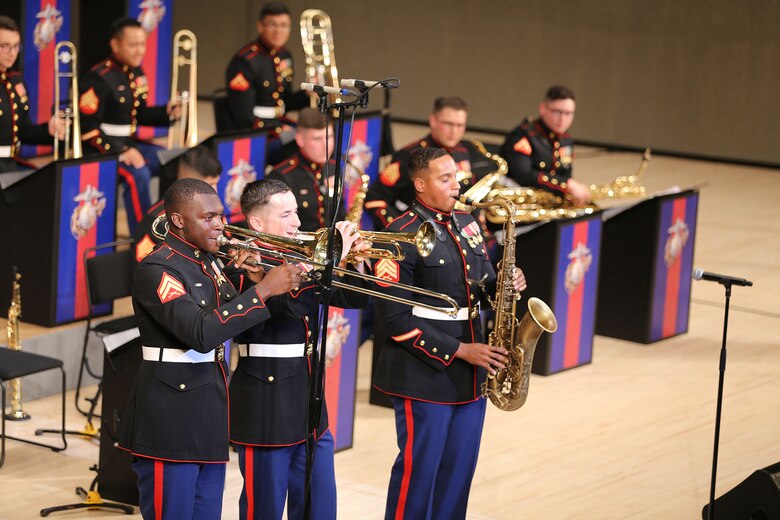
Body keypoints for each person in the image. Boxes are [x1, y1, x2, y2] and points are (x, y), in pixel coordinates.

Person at [119, 178, 302, 520]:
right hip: (169, 415)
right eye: (208, 217)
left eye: (220, 215)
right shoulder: (158, 268)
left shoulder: (209, 262)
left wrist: (249, 277)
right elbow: (201, 332)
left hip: (209, 409)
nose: (219, 224)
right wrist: (263, 290)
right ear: (178, 220)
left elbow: (234, 319)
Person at [372, 147, 527, 520]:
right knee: (419, 474)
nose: (456, 185)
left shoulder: (468, 222)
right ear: (421, 184)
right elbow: (394, 319)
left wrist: (506, 285)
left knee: (458, 475)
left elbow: (483, 282)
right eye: (445, 179)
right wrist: (459, 351)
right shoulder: (399, 235)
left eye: (455, 176)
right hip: (424, 373)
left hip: (472, 373)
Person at [228, 178, 369, 520]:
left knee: (319, 505)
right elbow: (284, 308)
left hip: (309, 398)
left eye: (296, 213)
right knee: (265, 508)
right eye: (287, 213)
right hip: (266, 401)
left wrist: (356, 260)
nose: (297, 222)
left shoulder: (302, 255)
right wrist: (327, 260)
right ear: (258, 222)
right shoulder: (241, 260)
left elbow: (354, 298)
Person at [79, 17, 180, 234]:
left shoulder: (137, 74)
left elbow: (139, 114)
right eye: (133, 45)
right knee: (139, 173)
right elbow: (87, 129)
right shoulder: (98, 78)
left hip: (130, 145)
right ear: (115, 45)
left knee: (173, 160)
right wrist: (120, 151)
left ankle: (169, 226)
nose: (140, 51)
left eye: (142, 44)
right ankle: (145, 236)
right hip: (101, 150)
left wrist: (167, 112)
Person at [364, 96, 500, 229]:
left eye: (460, 125)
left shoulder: (467, 150)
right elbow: (375, 198)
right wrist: (400, 229)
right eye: (449, 124)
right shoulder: (411, 155)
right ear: (433, 121)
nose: (454, 131)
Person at [225, 2, 307, 137]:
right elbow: (243, 118)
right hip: (256, 131)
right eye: (272, 25)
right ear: (260, 26)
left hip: (278, 122)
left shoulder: (284, 55)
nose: (278, 31)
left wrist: (308, 94)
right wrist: (278, 128)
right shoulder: (245, 61)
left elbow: (285, 101)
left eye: (284, 25)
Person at [500, 85, 591, 205]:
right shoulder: (523, 135)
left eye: (569, 113)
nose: (563, 119)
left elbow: (565, 174)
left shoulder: (566, 139)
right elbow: (523, 175)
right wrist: (566, 185)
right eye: (557, 112)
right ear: (542, 109)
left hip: (550, 200)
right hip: (518, 203)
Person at [133, 145, 223, 262]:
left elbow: (225, 249)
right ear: (189, 182)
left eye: (216, 183)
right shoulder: (154, 221)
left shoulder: (213, 209)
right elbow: (150, 268)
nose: (215, 191)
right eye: (210, 185)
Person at [0, 16, 64, 172]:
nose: (12, 53)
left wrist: (48, 129)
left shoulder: (16, 82)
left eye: (16, 46)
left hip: (12, 164)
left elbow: (23, 130)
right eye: (5, 46)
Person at [265, 107, 345, 231]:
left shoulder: (335, 165)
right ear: (300, 139)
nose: (326, 146)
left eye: (329, 137)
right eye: (317, 139)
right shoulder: (281, 176)